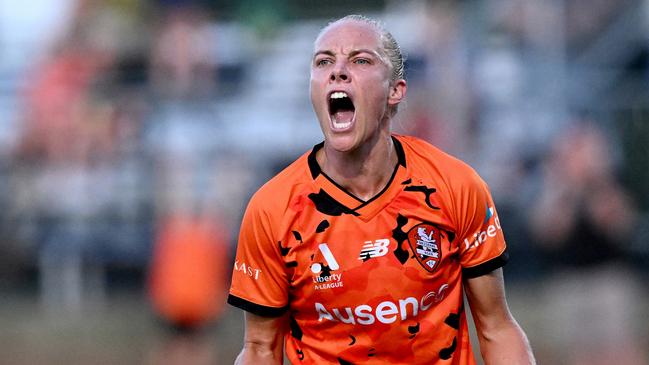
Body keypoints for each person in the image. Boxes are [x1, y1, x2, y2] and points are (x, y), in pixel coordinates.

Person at [227, 14, 535, 364]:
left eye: (360, 60)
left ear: (395, 91)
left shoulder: (455, 186)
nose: (338, 71)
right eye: (324, 61)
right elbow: (259, 348)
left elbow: (496, 327)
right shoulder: (273, 208)